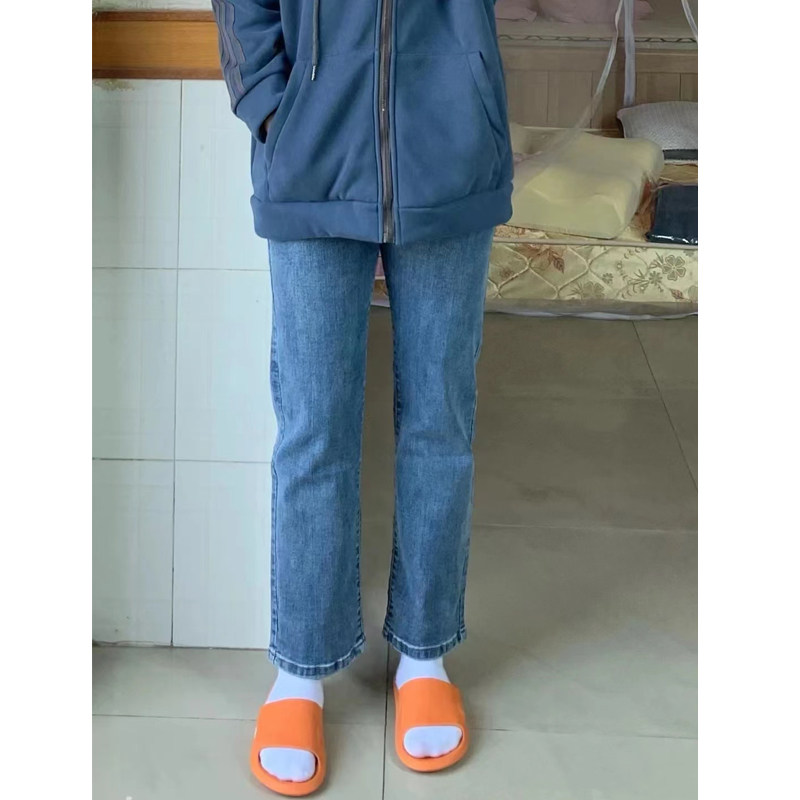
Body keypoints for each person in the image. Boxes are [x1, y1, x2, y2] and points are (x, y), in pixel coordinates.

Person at [211, 0, 513, 794]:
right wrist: (271, 107)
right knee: (314, 427)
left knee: (440, 422)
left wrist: (471, 87)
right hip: (311, 150)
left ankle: (425, 654)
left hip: (450, 146)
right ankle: (301, 670)